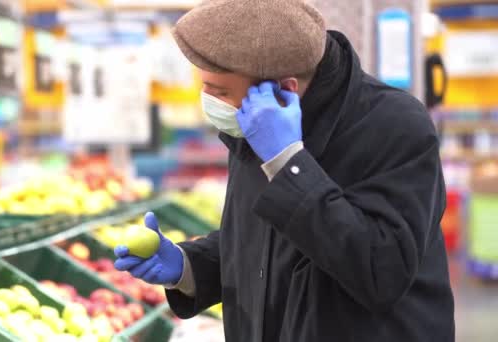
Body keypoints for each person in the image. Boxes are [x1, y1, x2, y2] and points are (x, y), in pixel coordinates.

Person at [114, 0, 455, 341]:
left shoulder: (395, 126)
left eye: (220, 92)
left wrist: (288, 162)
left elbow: (380, 271)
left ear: (284, 90)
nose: (209, 101)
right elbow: (263, 247)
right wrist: (187, 267)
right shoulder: (251, 128)